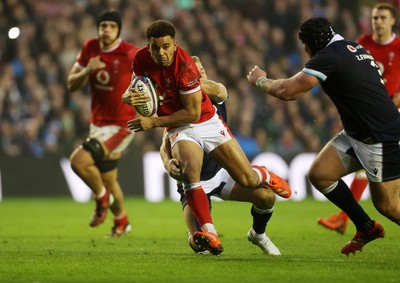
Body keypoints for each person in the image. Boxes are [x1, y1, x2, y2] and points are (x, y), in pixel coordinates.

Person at [122, 20, 291, 255]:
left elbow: (194, 111)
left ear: (175, 45)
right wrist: (127, 98)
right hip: (180, 128)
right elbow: (134, 87)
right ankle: (209, 232)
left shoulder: (187, 69)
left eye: (165, 47)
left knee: (251, 180)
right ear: (148, 46)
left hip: (205, 123)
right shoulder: (141, 59)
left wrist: (153, 120)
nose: (160, 53)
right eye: (155, 48)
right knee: (193, 189)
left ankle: (262, 174)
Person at [247, 17, 400, 255]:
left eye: (304, 45)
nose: (304, 50)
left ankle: (368, 225)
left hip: (381, 137)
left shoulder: (329, 56)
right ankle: (366, 227)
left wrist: (260, 80)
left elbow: (288, 92)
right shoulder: (351, 46)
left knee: (388, 206)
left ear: (312, 44)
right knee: (320, 174)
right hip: (358, 133)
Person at [161, 56, 281, 255]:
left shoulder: (217, 93)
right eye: (193, 72)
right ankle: (200, 233)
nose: (198, 75)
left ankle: (258, 234)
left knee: (267, 197)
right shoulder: (181, 106)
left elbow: (218, 90)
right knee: (200, 245)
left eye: (201, 71)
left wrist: (186, 82)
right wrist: (167, 162)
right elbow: (165, 142)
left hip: (221, 173)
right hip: (193, 181)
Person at [317, 2, 400, 234]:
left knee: (387, 201)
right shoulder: (362, 44)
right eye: (375, 18)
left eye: (383, 18)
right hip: (368, 118)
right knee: (373, 181)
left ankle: (344, 218)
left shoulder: (399, 47)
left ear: (392, 21)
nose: (378, 22)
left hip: (390, 118)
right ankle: (348, 219)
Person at [67, 10, 139, 237]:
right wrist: (88, 69)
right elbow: (71, 84)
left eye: (111, 26)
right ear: (98, 28)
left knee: (78, 161)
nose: (106, 29)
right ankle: (122, 221)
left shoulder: (130, 53)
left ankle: (100, 200)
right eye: (103, 25)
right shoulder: (90, 48)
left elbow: (152, 81)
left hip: (121, 126)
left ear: (119, 30)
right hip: (97, 124)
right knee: (108, 179)